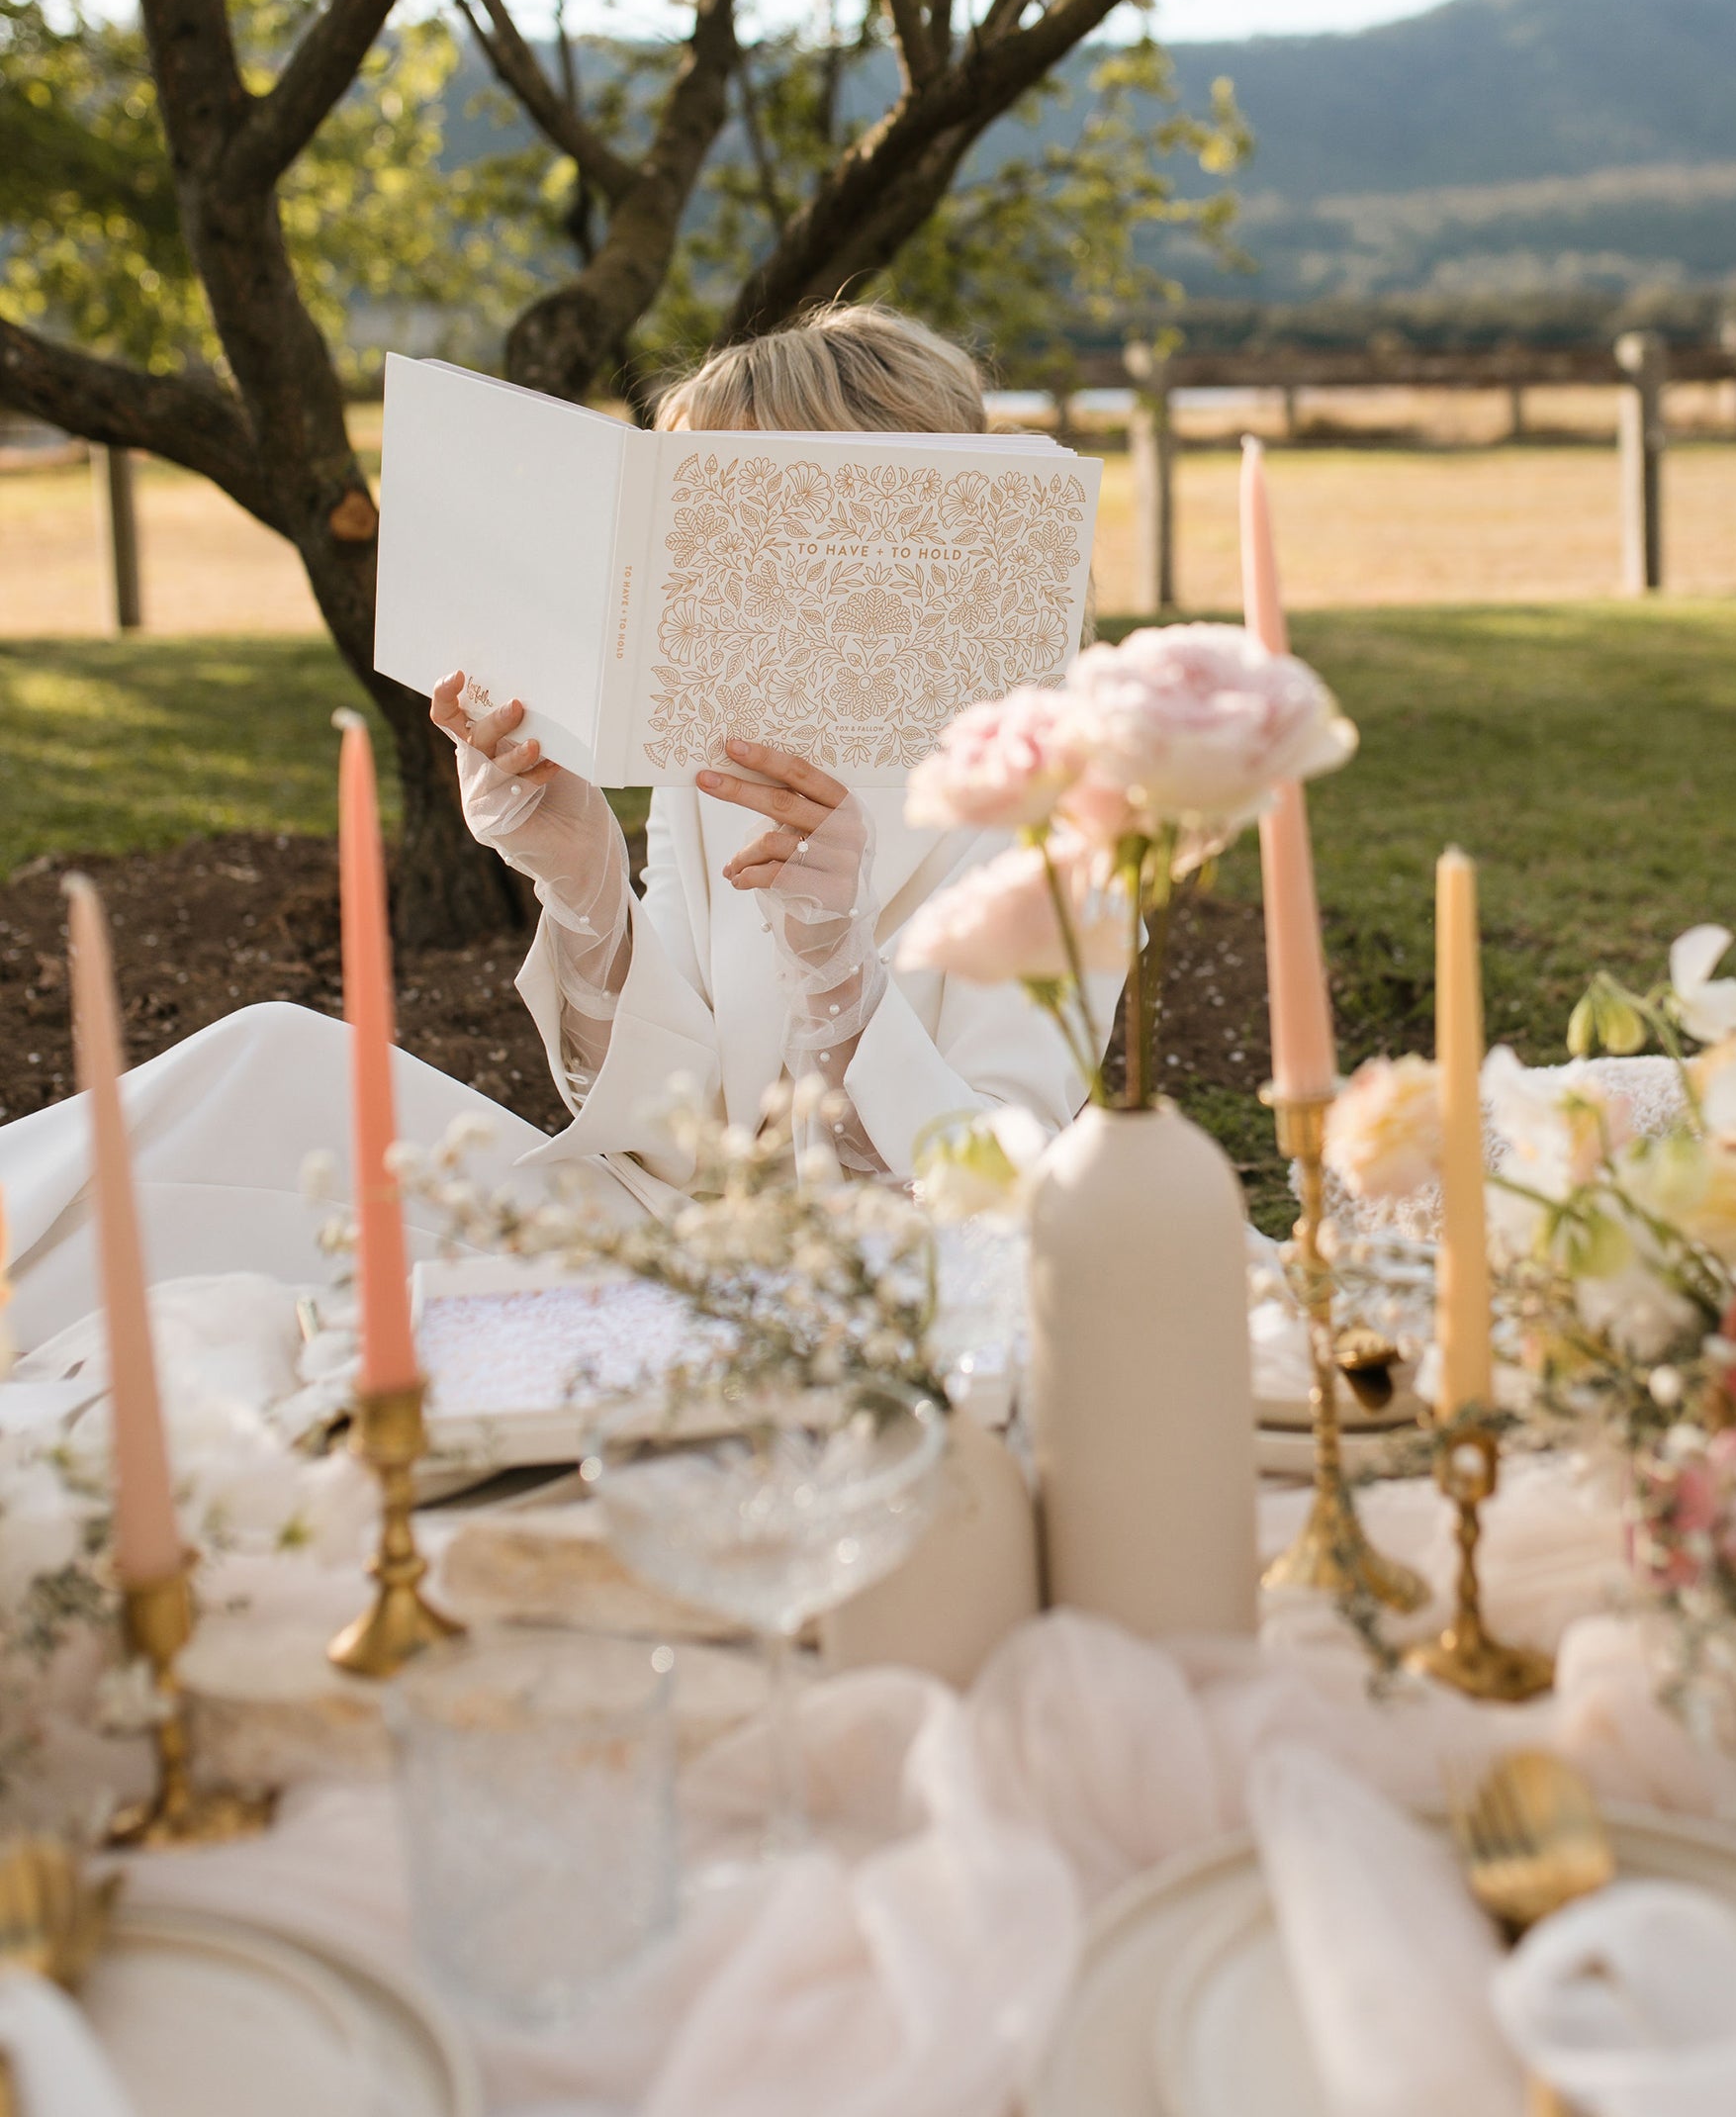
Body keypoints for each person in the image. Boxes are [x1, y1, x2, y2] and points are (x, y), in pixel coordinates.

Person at [0, 305, 1119, 1350]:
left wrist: (840, 969)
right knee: (265, 1059)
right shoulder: (712, 766)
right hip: (654, 1228)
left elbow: (987, 1195)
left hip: (861, 1303)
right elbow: (654, 1132)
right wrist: (584, 883)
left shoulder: (1061, 824)